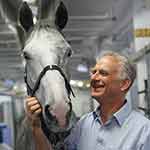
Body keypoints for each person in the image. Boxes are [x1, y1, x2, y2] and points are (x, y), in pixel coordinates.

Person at [26, 51, 150, 150]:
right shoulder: (84, 124)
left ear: (124, 84)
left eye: (103, 73)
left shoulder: (144, 131)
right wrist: (36, 127)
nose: (94, 78)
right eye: (93, 72)